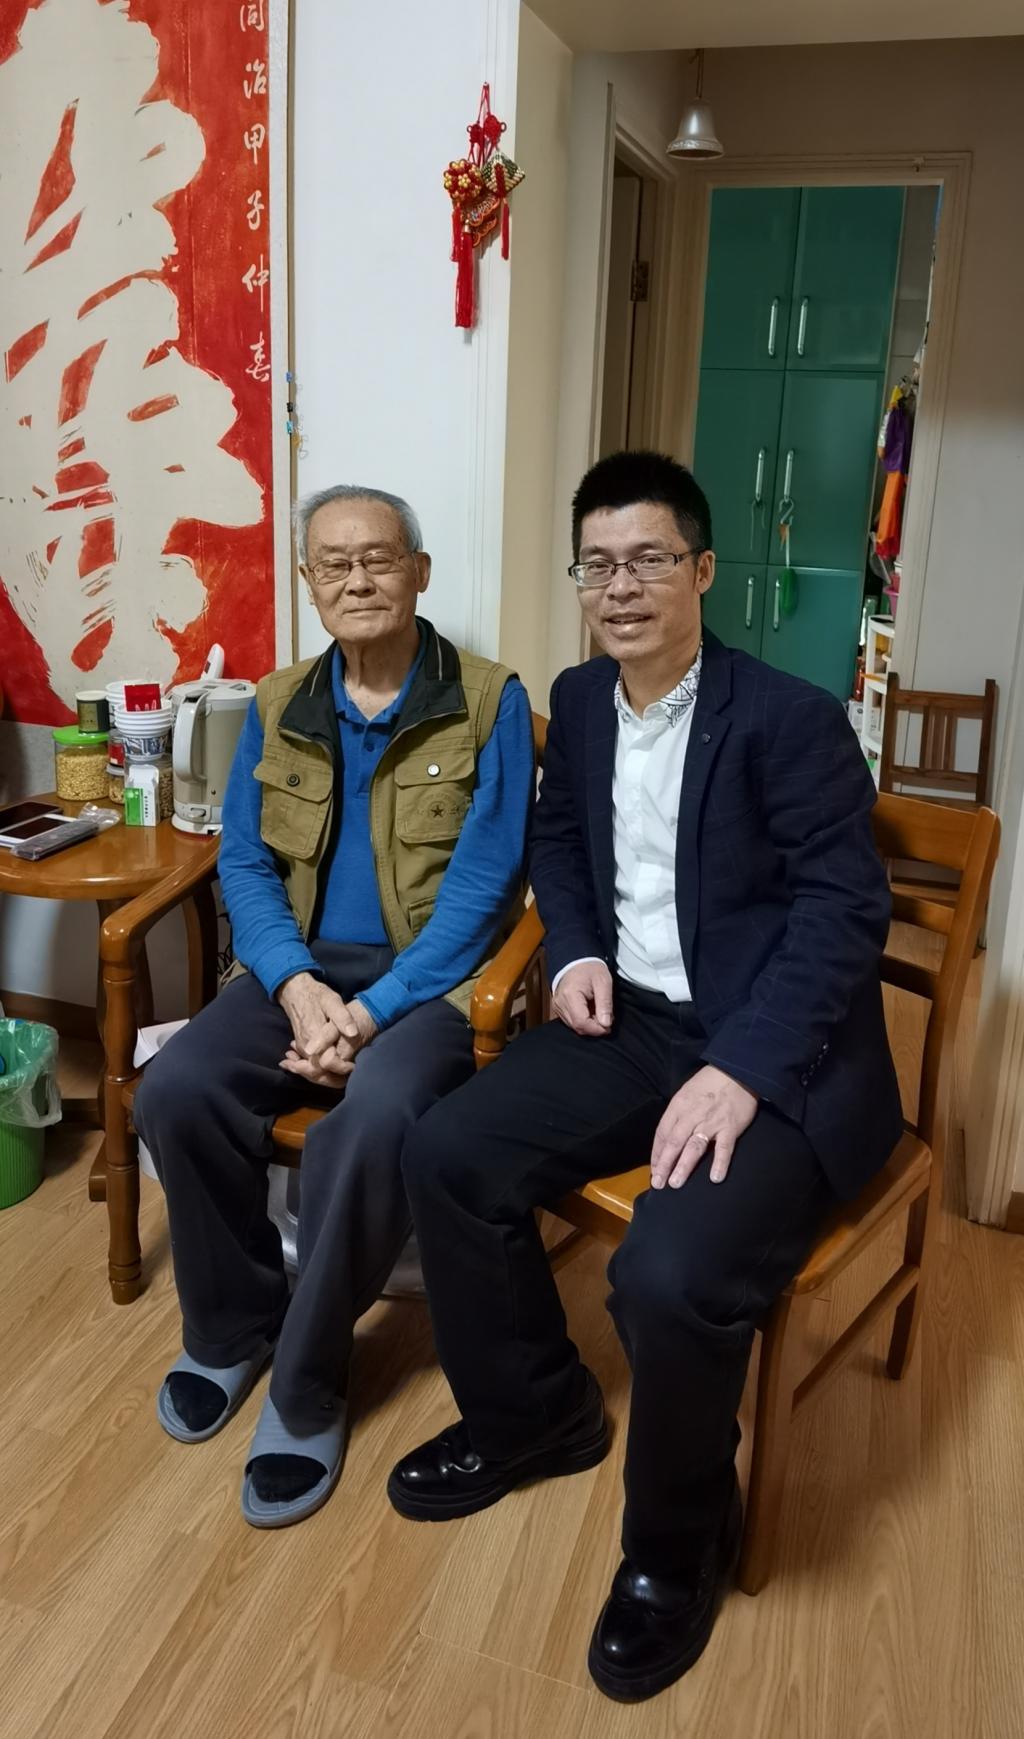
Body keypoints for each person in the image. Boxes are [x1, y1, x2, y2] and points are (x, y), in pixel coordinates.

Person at [390, 451, 903, 1701]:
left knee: (666, 1274)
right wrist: (571, 949)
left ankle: (676, 1550)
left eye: (649, 559)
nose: (620, 586)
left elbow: (844, 912)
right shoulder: (578, 697)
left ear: (702, 570)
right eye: (599, 564)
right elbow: (561, 840)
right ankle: (535, 1415)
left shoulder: (789, 719)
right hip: (634, 1025)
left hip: (775, 1052)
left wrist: (742, 1069)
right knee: (446, 1152)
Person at [135, 484, 534, 1528]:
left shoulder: (490, 700)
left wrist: (372, 1012)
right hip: (303, 972)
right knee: (175, 1088)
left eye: (379, 558)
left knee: (374, 1117)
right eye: (333, 564)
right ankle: (231, 1330)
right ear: (309, 581)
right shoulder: (278, 703)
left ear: (420, 572)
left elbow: (484, 887)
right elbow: (245, 863)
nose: (357, 580)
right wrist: (299, 985)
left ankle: (308, 1383)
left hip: (431, 983)